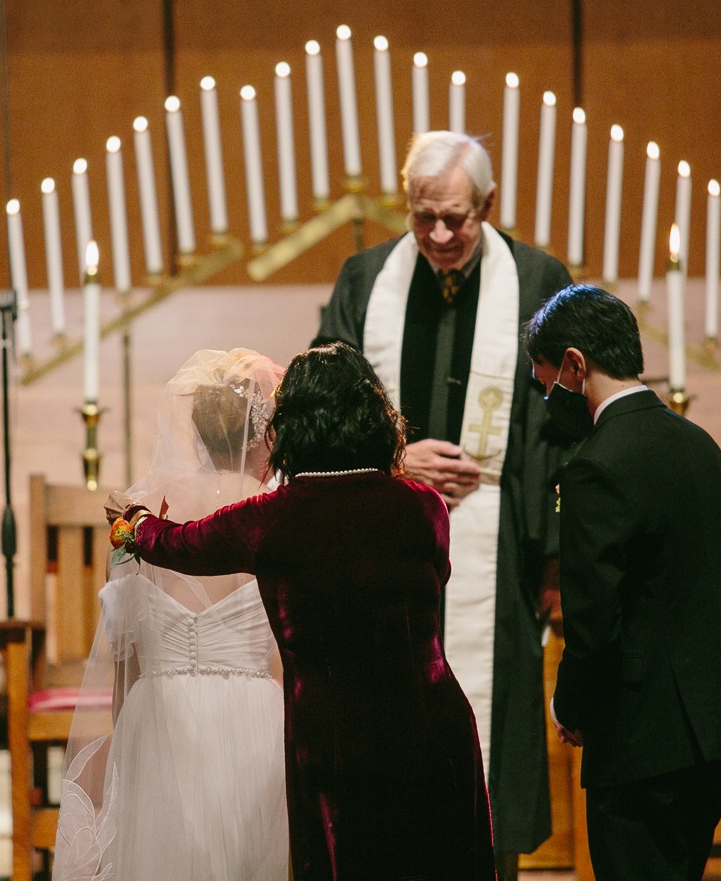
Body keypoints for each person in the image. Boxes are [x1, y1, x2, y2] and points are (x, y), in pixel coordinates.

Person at [110, 342, 495, 881]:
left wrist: (134, 520)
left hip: (335, 738)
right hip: (432, 725)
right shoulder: (423, 505)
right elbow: (437, 578)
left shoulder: (272, 518)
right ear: (373, 415)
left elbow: (180, 545)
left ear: (290, 427)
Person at [314, 129, 571, 867]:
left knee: (490, 740)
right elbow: (324, 406)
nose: (437, 234)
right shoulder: (365, 279)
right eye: (422, 216)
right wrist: (393, 456)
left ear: (490, 204)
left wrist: (555, 562)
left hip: (502, 547)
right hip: (381, 552)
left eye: (455, 218)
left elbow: (563, 426)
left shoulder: (538, 279)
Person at [525, 285, 721, 880]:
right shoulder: (699, 444)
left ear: (576, 365)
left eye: (547, 381)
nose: (548, 399)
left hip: (641, 738)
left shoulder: (596, 464)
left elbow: (593, 617)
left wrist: (572, 703)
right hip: (712, 728)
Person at [54, 348, 288, 881]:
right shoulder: (277, 511)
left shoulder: (139, 509)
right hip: (253, 714)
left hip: (158, 711)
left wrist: (129, 735)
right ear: (265, 433)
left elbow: (125, 656)